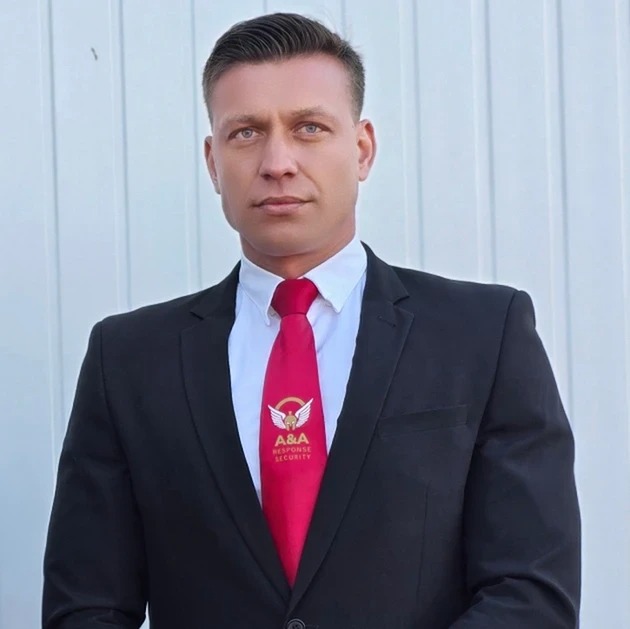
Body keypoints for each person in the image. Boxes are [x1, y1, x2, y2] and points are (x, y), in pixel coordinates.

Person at [42, 12, 581, 629]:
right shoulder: (128, 360)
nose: (278, 161)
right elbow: (85, 607)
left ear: (362, 149)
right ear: (213, 161)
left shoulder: (484, 334)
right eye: (246, 132)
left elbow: (530, 592)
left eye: (309, 128)